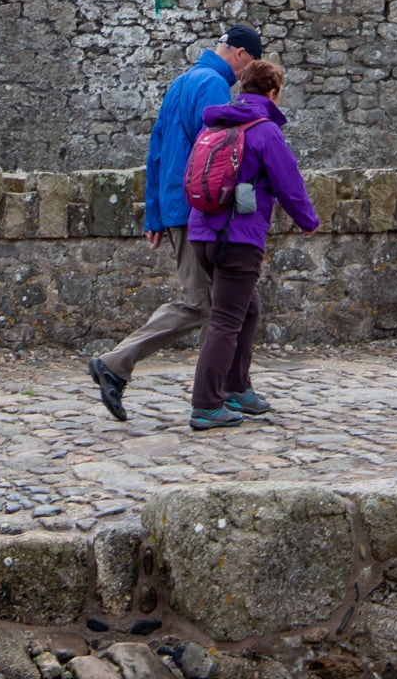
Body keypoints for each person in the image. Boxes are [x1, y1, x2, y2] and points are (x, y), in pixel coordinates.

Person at [88, 21, 264, 420]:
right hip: (198, 211)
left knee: (243, 303)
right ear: (239, 53)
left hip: (174, 206)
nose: (243, 76)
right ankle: (115, 364)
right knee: (200, 304)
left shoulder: (182, 81)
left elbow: (156, 150)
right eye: (247, 63)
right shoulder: (215, 86)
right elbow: (216, 154)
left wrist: (154, 213)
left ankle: (234, 387)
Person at [186, 58, 318, 431]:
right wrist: (308, 221)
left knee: (248, 309)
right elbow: (288, 182)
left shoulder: (214, 123)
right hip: (238, 239)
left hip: (202, 233)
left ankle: (237, 385)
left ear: (242, 88)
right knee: (226, 320)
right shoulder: (265, 131)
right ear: (273, 93)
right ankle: (207, 404)